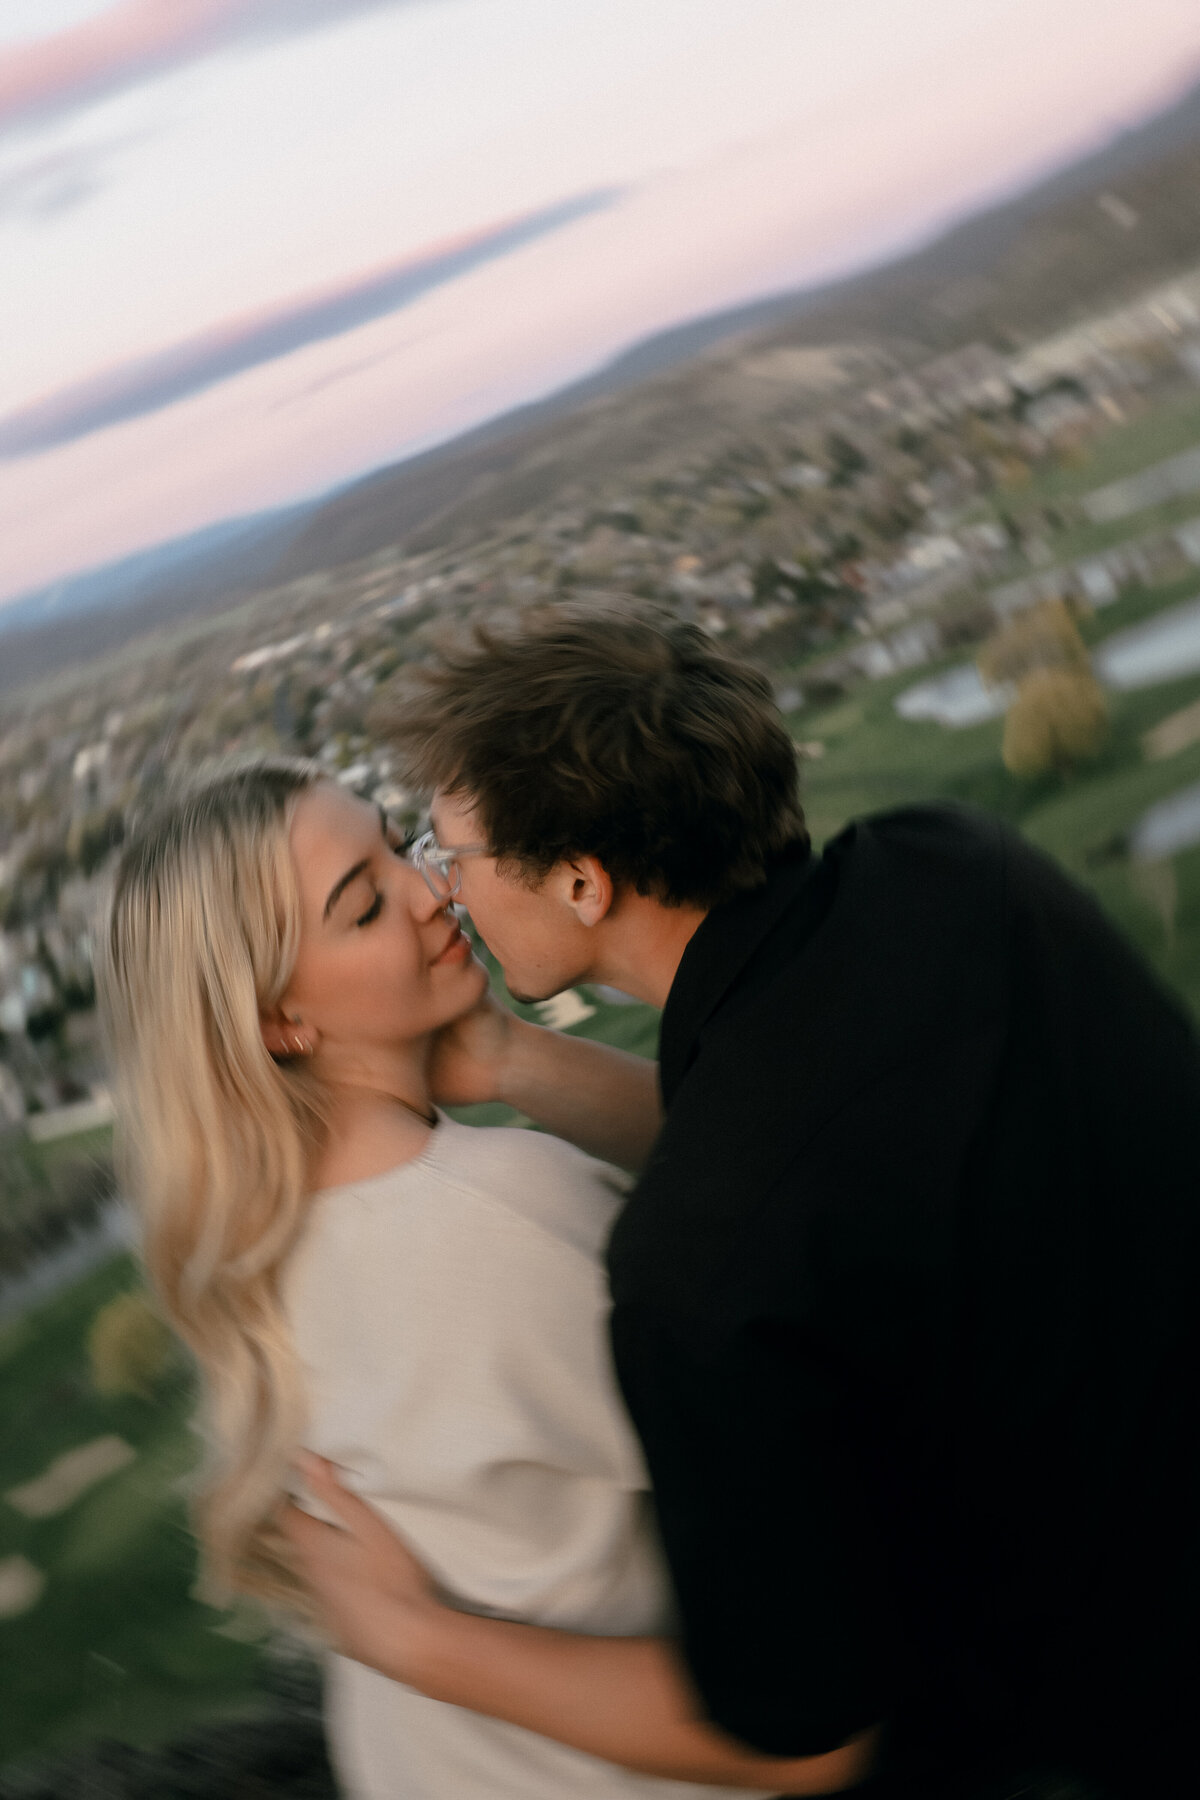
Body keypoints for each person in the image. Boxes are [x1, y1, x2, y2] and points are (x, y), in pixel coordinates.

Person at [280, 600, 1200, 1800]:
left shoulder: (694, 1279)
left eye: (451, 849)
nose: (442, 889)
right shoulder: (958, 866)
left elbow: (805, 1732)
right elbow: (807, 1143)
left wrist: (419, 1643)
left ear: (580, 882)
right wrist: (509, 1061)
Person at [97, 757, 873, 1800]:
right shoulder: (492, 1218)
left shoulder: (258, 1260)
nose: (430, 889)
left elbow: (733, 1187)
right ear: (281, 1022)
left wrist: (510, 1059)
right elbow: (818, 1724)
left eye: (393, 845)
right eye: (366, 905)